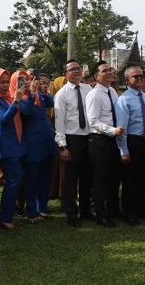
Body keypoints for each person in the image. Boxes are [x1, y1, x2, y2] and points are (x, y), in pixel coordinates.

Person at [86, 61, 128, 228]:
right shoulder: (94, 94)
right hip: (100, 140)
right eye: (105, 71)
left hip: (113, 139)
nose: (110, 72)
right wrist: (112, 130)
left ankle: (113, 210)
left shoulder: (111, 91)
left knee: (113, 177)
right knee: (100, 179)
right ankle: (101, 214)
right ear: (96, 77)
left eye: (110, 70)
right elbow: (93, 121)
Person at [115, 66, 145, 225]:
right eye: (136, 77)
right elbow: (122, 127)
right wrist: (123, 150)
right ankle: (129, 213)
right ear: (127, 81)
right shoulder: (124, 100)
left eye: (141, 76)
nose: (140, 79)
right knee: (130, 180)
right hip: (132, 141)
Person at [0, 69, 26, 232]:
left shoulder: (7, 98)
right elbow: (4, 118)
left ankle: (7, 217)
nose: (5, 85)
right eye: (1, 82)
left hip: (16, 145)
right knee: (14, 181)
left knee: (16, 181)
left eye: (7, 82)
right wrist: (16, 101)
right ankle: (3, 218)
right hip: (5, 146)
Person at [54, 60, 94, 228]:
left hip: (89, 137)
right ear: (66, 74)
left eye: (79, 68)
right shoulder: (62, 94)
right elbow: (59, 122)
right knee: (71, 178)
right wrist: (62, 146)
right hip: (72, 139)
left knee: (87, 176)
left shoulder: (88, 89)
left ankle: (86, 210)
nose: (77, 71)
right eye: (73, 69)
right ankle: (71, 213)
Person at [20, 71, 58, 224]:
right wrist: (32, 93)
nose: (39, 84)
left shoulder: (40, 96)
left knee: (45, 179)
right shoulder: (22, 99)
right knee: (33, 181)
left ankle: (42, 208)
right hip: (33, 146)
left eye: (43, 82)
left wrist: (45, 90)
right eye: (36, 82)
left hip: (46, 143)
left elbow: (51, 103)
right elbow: (26, 112)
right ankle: (31, 211)